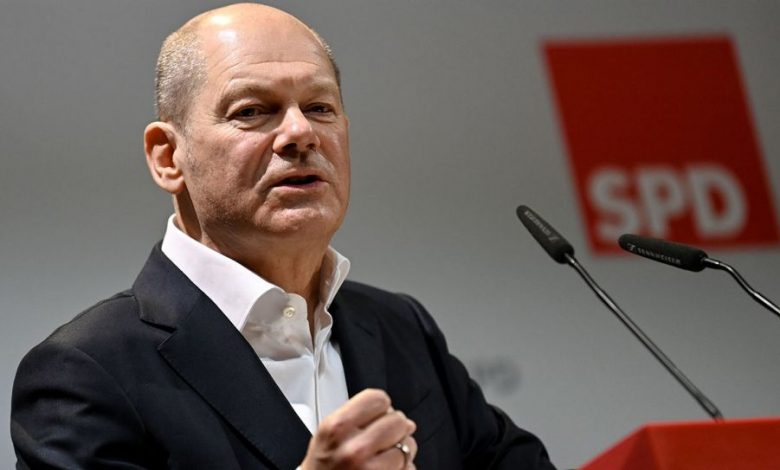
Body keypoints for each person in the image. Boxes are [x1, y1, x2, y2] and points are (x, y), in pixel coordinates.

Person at [11, 3, 555, 469]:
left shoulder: (401, 328)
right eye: (252, 111)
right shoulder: (84, 372)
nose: (300, 133)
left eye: (320, 108)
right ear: (168, 157)